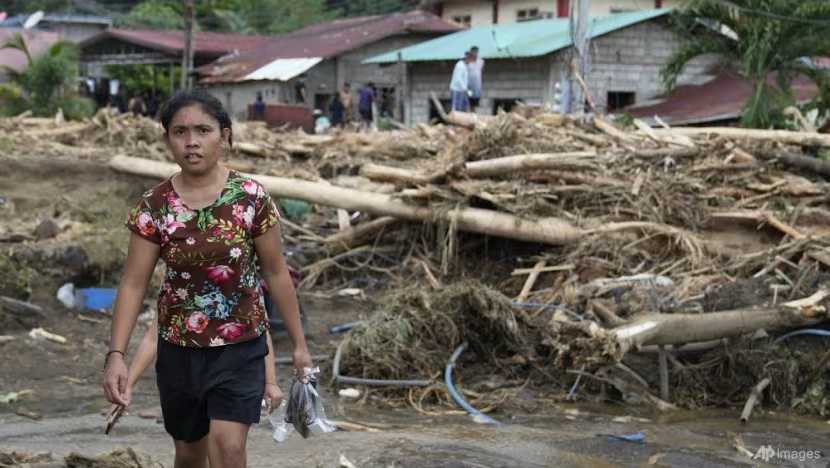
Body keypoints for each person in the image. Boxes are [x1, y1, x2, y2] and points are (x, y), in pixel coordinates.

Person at [103, 89, 312, 468]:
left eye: (203, 130)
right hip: (179, 350)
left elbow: (276, 272)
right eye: (180, 132)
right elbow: (133, 284)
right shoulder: (155, 206)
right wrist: (116, 356)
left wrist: (299, 346)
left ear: (225, 137)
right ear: (167, 139)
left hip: (240, 346)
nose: (192, 142)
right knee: (188, 453)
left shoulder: (250, 198)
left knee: (229, 448)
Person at [467, 46, 484, 112]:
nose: (475, 53)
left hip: (477, 87)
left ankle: (474, 115)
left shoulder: (480, 61)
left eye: (476, 52)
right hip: (469, 87)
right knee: (469, 101)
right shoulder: (468, 62)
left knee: (475, 103)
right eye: (473, 52)